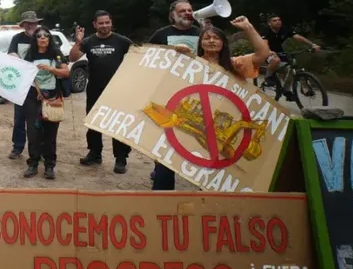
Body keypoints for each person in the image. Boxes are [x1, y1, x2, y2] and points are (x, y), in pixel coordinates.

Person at [152, 16, 271, 191]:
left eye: (216, 38)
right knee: (166, 161)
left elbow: (263, 55)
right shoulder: (191, 62)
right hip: (189, 121)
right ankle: (161, 198)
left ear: (223, 43)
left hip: (216, 129)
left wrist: (248, 28)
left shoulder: (234, 65)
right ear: (200, 43)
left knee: (212, 172)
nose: (212, 41)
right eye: (207, 38)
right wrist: (176, 52)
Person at [69, 10, 134, 174]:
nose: (104, 25)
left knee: (118, 124)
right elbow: (72, 58)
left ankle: (121, 158)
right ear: (95, 24)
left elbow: (137, 58)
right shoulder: (89, 41)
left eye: (107, 22)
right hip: (95, 89)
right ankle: (95, 153)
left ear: (111, 23)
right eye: (101, 23)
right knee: (93, 123)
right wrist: (78, 41)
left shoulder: (123, 41)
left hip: (117, 89)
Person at [22, 28, 69, 180]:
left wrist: (51, 69)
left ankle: (49, 166)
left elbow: (66, 72)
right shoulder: (30, 55)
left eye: (46, 35)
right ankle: (33, 164)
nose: (42, 38)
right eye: (39, 36)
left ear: (49, 38)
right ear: (35, 39)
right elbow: (21, 74)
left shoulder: (56, 54)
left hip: (52, 98)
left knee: (50, 133)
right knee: (33, 133)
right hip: (33, 97)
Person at [6, 11, 43, 160]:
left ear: (37, 23)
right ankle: (17, 147)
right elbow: (10, 54)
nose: (30, 26)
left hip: (40, 85)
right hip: (21, 85)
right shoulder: (17, 38)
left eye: (33, 23)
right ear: (23, 25)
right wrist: (13, 56)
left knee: (38, 120)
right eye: (27, 23)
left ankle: (38, 150)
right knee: (19, 118)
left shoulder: (43, 37)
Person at [262, 14, 320, 88]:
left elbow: (299, 38)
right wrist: (271, 52)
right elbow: (265, 45)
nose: (278, 22)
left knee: (290, 69)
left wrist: (312, 45)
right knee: (276, 60)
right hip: (265, 51)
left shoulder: (284, 29)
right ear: (269, 23)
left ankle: (286, 90)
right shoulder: (266, 31)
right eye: (274, 21)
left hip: (279, 51)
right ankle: (268, 77)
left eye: (279, 20)